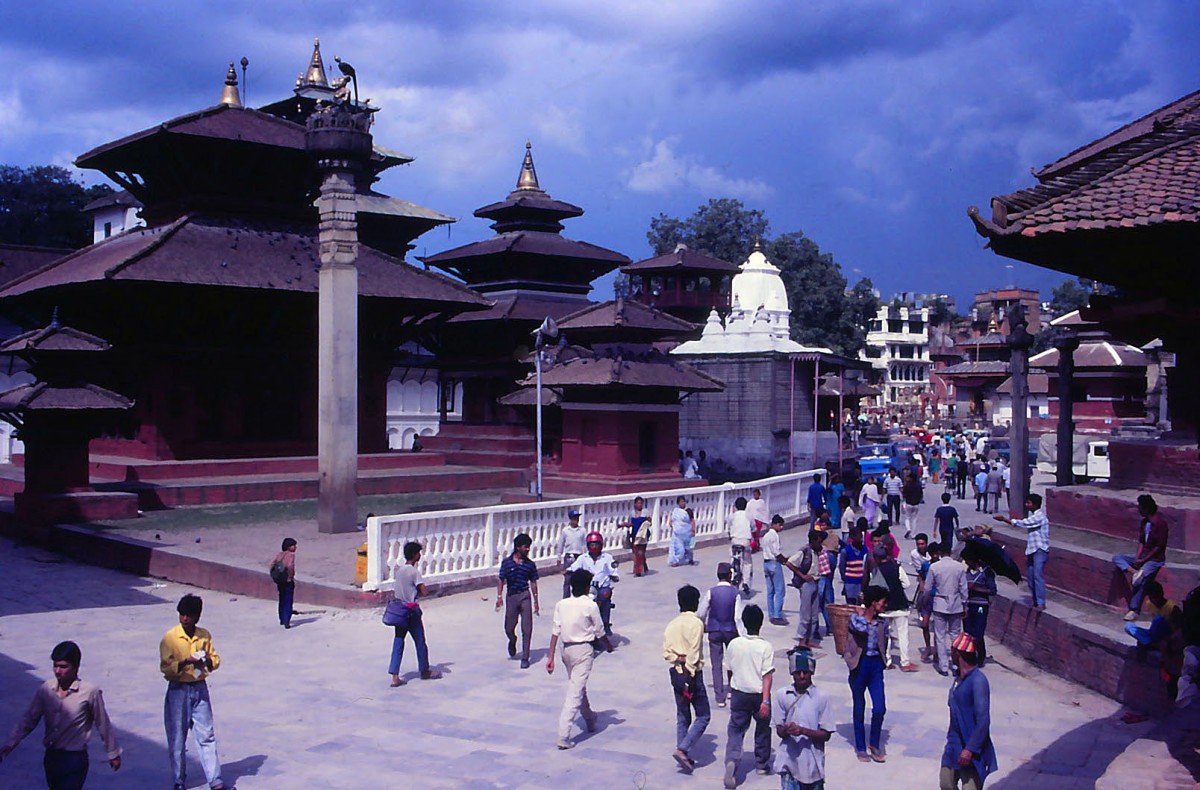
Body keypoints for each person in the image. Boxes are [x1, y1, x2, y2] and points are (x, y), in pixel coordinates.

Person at [0, 641, 121, 789]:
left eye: (63, 667)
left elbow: (103, 724)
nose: (57, 671)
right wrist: (8, 746)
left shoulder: (89, 692)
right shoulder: (46, 689)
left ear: (76, 667)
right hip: (52, 758)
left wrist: (112, 753)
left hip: (75, 759)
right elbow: (28, 720)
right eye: (55, 666)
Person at [160, 594, 225, 790]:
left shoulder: (204, 635)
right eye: (182, 615)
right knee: (177, 737)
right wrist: (184, 662)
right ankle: (179, 780)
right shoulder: (170, 638)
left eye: (189, 615)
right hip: (178, 689)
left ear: (197, 617)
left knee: (206, 735)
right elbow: (165, 667)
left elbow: (215, 659)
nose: (185, 619)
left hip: (199, 687)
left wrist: (207, 661)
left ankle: (215, 780)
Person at [547, 569, 612, 750]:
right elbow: (600, 631)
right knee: (574, 693)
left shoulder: (562, 604)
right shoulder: (590, 605)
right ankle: (563, 735)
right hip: (583, 650)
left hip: (565, 650)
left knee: (578, 685)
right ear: (586, 586)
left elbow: (555, 631)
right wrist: (608, 645)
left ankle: (590, 718)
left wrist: (550, 656)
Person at [723, 605, 775, 789]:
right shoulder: (765, 647)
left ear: (744, 623)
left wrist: (731, 689)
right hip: (758, 694)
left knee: (736, 730)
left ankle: (732, 760)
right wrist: (766, 701)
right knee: (762, 728)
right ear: (760, 624)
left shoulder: (734, 644)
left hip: (739, 692)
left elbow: (729, 670)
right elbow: (767, 676)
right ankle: (761, 764)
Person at [941, 633, 998, 789]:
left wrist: (970, 749)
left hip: (971, 748)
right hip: (954, 744)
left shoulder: (978, 681)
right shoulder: (959, 678)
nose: (950, 655)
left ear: (957, 654)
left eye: (952, 652)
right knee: (946, 783)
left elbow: (983, 720)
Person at [664, 584, 710, 772]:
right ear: (696, 603)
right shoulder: (696, 623)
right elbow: (693, 653)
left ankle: (683, 752)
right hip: (692, 675)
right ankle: (683, 749)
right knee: (704, 715)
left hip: (676, 672)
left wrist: (678, 658)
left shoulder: (672, 624)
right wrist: (690, 673)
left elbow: (667, 653)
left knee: (682, 714)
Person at [772, 647, 832, 790]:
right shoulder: (782, 695)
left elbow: (826, 734)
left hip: (813, 765)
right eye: (798, 673)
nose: (802, 676)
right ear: (792, 673)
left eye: (806, 672)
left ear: (812, 673)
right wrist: (786, 730)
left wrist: (803, 731)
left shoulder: (821, 697)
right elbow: (779, 730)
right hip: (789, 761)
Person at [388, 542, 443, 686]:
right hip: (411, 611)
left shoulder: (399, 570)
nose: (420, 555)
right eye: (418, 553)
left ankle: (395, 676)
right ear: (414, 555)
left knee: (399, 641)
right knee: (420, 641)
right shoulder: (414, 572)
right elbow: (424, 591)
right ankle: (424, 670)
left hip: (400, 611)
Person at [845, 585, 890, 763]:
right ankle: (861, 747)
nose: (885, 605)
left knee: (880, 707)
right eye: (883, 602)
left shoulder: (882, 623)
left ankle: (875, 743)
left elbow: (884, 641)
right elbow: (861, 628)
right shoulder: (855, 619)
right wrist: (863, 614)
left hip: (875, 666)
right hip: (859, 665)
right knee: (859, 706)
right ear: (873, 603)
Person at [1113, 494, 1169, 621]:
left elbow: (1159, 547)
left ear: (1147, 509)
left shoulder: (1160, 524)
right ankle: (1135, 572)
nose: (1139, 510)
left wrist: (1143, 560)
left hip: (1155, 560)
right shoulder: (1144, 523)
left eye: (1140, 507)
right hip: (1143, 558)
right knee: (1118, 558)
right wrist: (1138, 559)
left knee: (1141, 582)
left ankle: (1134, 610)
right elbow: (1142, 542)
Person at [994, 493, 1049, 610]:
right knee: (1030, 577)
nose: (1026, 505)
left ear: (1034, 505)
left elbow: (1024, 523)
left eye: (1028, 503)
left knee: (1037, 576)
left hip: (1040, 550)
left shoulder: (1039, 517)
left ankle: (1041, 602)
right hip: (1032, 550)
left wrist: (1005, 520)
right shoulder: (1035, 516)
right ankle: (1035, 600)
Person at [699, 562, 743, 707]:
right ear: (730, 575)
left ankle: (719, 697)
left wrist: (703, 626)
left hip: (714, 630)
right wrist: (742, 634)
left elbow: (702, 612)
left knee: (716, 664)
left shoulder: (711, 592)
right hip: (730, 630)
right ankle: (731, 689)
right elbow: (737, 616)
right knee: (731, 662)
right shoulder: (735, 593)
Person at [496, 533, 540, 669]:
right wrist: (499, 597)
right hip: (512, 597)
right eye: (525, 547)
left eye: (528, 547)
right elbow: (501, 579)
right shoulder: (507, 563)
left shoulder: (530, 565)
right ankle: (512, 639)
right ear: (518, 547)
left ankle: (525, 657)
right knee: (509, 626)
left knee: (527, 628)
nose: (527, 550)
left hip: (525, 596)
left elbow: (533, 582)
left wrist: (536, 601)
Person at [567, 532, 620, 635]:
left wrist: (614, 576)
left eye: (596, 544)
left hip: (602, 587)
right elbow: (574, 567)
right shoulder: (583, 558)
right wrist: (566, 571)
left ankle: (605, 623)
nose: (594, 546)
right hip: (588, 588)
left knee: (605, 597)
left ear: (601, 545)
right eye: (592, 544)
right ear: (588, 545)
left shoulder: (607, 557)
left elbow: (613, 570)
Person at [875, 546, 917, 672]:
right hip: (899, 604)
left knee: (885, 635)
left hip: (884, 607)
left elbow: (875, 587)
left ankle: (887, 661)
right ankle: (905, 663)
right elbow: (907, 584)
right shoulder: (897, 567)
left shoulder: (877, 571)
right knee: (902, 635)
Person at [928, 549, 968, 676]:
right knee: (955, 636)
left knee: (940, 636)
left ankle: (943, 666)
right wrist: (965, 603)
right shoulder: (959, 567)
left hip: (940, 603)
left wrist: (926, 601)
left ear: (940, 553)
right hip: (955, 603)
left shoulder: (934, 567)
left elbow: (928, 588)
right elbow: (963, 587)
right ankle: (956, 664)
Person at [786, 530, 826, 649]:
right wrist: (802, 575)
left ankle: (810, 638)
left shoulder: (817, 552)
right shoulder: (804, 551)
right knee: (805, 614)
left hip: (815, 582)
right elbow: (789, 563)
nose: (821, 544)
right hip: (806, 584)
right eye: (819, 542)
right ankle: (802, 639)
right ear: (813, 541)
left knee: (814, 614)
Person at [963, 553, 997, 667]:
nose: (967, 563)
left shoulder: (986, 573)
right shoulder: (966, 573)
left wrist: (976, 588)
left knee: (978, 630)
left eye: (968, 560)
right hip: (968, 605)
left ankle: (980, 655)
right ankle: (970, 655)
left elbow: (992, 590)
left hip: (981, 606)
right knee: (968, 631)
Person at [762, 515, 788, 625]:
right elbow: (776, 552)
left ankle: (771, 614)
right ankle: (777, 615)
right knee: (780, 590)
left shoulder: (765, 536)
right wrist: (785, 560)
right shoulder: (774, 536)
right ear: (775, 524)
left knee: (770, 591)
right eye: (780, 525)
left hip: (766, 563)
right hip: (774, 563)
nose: (781, 527)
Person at [557, 509, 587, 598]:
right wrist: (559, 557)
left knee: (579, 577)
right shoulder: (565, 531)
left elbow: (584, 544)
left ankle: (579, 595)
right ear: (570, 519)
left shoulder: (582, 530)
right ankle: (566, 597)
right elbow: (561, 543)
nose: (576, 520)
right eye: (574, 518)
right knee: (567, 578)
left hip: (579, 555)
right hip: (569, 556)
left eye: (577, 518)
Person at [269, 537, 297, 629]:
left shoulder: (279, 554)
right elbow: (290, 566)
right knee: (288, 600)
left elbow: (271, 564)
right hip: (287, 580)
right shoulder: (291, 555)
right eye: (293, 545)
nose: (295, 547)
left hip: (280, 580)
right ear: (289, 547)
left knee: (282, 599)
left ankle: (281, 619)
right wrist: (291, 575)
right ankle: (287, 620)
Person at [622, 496, 653, 576]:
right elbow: (630, 524)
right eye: (638, 503)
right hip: (634, 535)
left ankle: (639, 570)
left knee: (641, 552)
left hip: (643, 536)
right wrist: (623, 525)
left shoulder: (645, 512)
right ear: (635, 504)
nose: (640, 505)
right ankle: (641, 567)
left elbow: (650, 522)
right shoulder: (632, 513)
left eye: (641, 503)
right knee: (636, 553)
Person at [730, 495, 754, 594]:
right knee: (747, 562)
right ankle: (746, 582)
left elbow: (729, 526)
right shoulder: (749, 515)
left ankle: (733, 577)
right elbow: (753, 527)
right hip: (745, 541)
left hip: (735, 540)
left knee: (733, 559)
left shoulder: (733, 515)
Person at [839, 525, 869, 605]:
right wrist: (845, 578)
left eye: (861, 537)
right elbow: (842, 567)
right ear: (852, 537)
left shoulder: (866, 550)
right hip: (850, 583)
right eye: (858, 537)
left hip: (862, 583)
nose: (860, 540)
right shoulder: (845, 551)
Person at [669, 496, 696, 567]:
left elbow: (692, 521)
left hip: (688, 533)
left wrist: (693, 530)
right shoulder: (676, 511)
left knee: (689, 547)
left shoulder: (688, 511)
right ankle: (675, 561)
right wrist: (672, 525)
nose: (682, 503)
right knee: (679, 549)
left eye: (683, 501)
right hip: (678, 534)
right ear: (678, 503)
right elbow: (672, 520)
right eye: (680, 502)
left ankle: (690, 559)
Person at [901, 469, 923, 539]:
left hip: (908, 503)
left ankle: (908, 529)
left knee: (907, 518)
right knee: (914, 519)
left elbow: (904, 494)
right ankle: (913, 534)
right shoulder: (918, 485)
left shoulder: (907, 485)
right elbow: (921, 494)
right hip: (916, 504)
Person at [827, 475, 845, 539]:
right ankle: (833, 524)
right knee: (833, 513)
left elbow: (843, 493)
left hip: (839, 501)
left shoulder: (841, 485)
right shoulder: (831, 486)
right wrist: (830, 479)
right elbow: (828, 488)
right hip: (833, 501)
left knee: (838, 512)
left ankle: (838, 524)